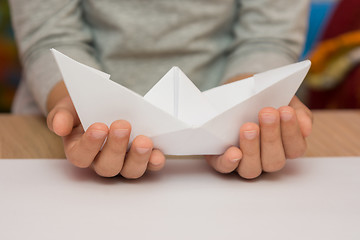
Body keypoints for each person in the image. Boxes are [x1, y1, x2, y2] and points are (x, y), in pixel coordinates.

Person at [9, 0, 313, 179]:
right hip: (56, 137)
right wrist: (77, 102)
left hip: (225, 128)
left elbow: (268, 36)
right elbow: (49, 34)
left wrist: (248, 102)